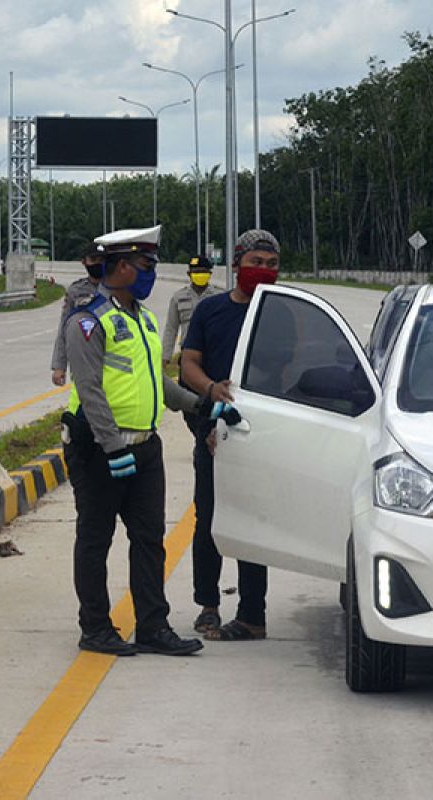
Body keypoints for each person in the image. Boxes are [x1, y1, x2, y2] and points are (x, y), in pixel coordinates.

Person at [63, 224, 215, 657]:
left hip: (146, 448)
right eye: (147, 264)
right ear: (123, 266)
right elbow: (89, 391)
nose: (151, 272)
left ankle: (153, 625)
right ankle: (95, 627)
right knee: (95, 539)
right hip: (99, 450)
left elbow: (159, 384)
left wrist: (201, 403)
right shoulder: (89, 320)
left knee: (149, 540)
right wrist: (112, 448)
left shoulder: (143, 320)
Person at [180, 228, 281, 642]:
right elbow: (188, 364)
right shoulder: (211, 311)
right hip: (213, 432)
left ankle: (253, 614)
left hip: (263, 436)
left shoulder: (282, 315)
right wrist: (211, 391)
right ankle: (208, 606)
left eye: (272, 265)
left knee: (255, 524)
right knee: (209, 521)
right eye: (256, 262)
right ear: (237, 263)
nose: (264, 271)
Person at [52, 245, 105, 387]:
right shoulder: (76, 290)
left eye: (102, 259)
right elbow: (64, 328)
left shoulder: (116, 288)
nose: (98, 264)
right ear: (84, 262)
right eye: (93, 259)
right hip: (83, 357)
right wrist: (59, 366)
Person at [162, 254, 222, 371]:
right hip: (187, 353)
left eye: (203, 272)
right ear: (189, 274)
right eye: (196, 272)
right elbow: (171, 328)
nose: (200, 275)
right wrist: (165, 357)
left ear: (210, 274)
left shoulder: (219, 297)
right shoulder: (178, 297)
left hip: (212, 352)